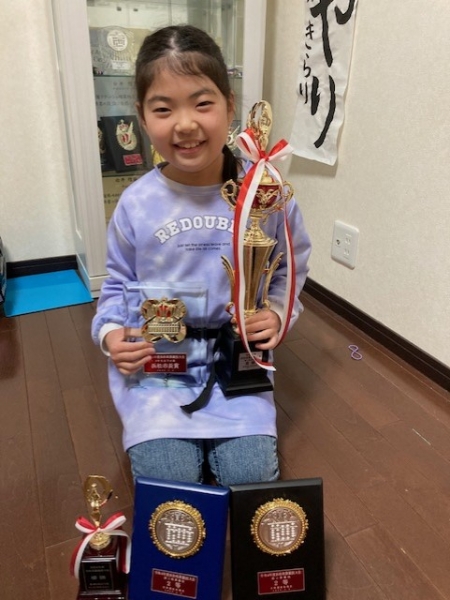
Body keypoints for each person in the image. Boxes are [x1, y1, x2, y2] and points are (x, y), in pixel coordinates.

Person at [92, 24, 311, 487]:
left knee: (250, 476)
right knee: (170, 480)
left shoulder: (264, 192)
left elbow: (288, 271)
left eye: (202, 103)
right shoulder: (136, 204)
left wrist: (276, 313)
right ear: (141, 118)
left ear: (230, 105)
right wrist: (112, 336)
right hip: (159, 371)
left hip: (239, 366)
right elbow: (116, 284)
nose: (185, 124)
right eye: (163, 108)